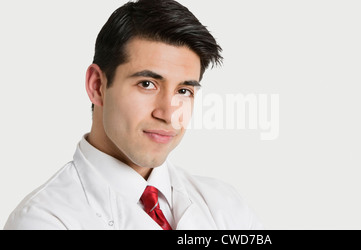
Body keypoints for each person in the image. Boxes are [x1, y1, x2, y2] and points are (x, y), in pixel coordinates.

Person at [4, 0, 263, 230]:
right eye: (147, 84)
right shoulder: (43, 220)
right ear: (97, 86)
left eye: (184, 90)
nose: (168, 113)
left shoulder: (227, 207)